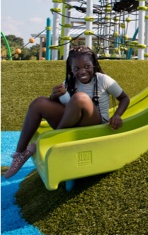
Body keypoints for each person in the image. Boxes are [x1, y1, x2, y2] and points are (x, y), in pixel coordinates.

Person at [4, 46, 130, 179]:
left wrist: (117, 115)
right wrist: (53, 97)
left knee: (79, 98)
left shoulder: (103, 79)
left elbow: (124, 98)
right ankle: (19, 154)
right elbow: (65, 106)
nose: (82, 71)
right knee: (39, 103)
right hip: (72, 123)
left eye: (87, 66)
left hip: (96, 124)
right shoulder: (69, 82)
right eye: (77, 68)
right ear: (71, 69)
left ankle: (52, 139)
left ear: (93, 64)